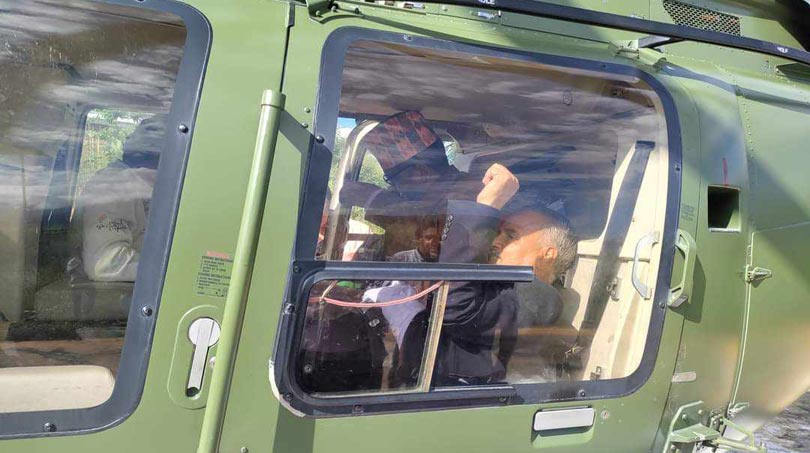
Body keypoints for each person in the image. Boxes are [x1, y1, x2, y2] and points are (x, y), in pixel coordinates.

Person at [430, 163, 577, 385]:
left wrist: (486, 206)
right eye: (498, 233)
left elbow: (454, 307)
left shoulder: (543, 299)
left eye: (510, 235)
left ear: (547, 254)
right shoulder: (495, 284)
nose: (495, 242)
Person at [78, 114, 165, 282]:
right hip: (123, 294)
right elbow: (108, 265)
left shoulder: (144, 184)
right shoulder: (114, 186)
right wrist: (177, 269)